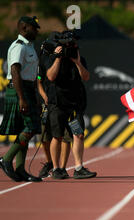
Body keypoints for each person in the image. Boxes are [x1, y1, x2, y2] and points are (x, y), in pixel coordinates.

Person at [43, 31, 96, 179]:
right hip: (58, 103)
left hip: (75, 104)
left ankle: (79, 168)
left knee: (78, 134)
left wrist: (78, 62)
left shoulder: (79, 58)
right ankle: (56, 168)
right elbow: (50, 76)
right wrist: (58, 58)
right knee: (57, 136)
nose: (73, 47)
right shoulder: (52, 58)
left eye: (74, 44)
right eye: (70, 44)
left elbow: (86, 77)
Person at [0, 16, 42, 182]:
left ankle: (20, 169)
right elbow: (15, 72)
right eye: (34, 28)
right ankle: (6, 159)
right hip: (19, 90)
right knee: (31, 127)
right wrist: (22, 98)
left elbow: (31, 75)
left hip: (28, 89)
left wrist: (35, 96)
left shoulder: (29, 46)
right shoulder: (18, 47)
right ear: (24, 27)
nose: (36, 31)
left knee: (24, 129)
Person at [36, 40, 71, 178]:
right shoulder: (43, 62)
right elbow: (38, 82)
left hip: (60, 101)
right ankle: (50, 162)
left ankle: (62, 167)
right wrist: (44, 96)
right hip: (47, 102)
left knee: (65, 136)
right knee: (44, 135)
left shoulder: (62, 61)